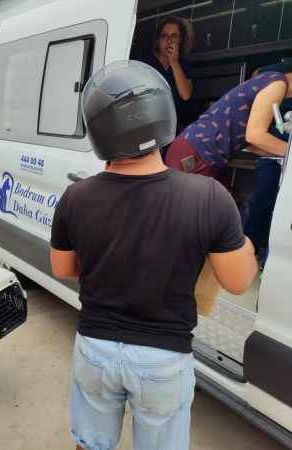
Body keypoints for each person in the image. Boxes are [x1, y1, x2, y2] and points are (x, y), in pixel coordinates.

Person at [50, 60, 258, 450]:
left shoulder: (75, 197)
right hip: (163, 358)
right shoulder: (209, 197)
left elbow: (63, 267)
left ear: (98, 130)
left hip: (95, 348)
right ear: (163, 116)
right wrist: (244, 242)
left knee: (90, 445)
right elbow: (238, 280)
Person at [166, 68, 292, 178]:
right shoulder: (278, 84)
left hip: (198, 151)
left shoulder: (271, 80)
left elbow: (252, 143)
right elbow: (255, 136)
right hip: (198, 152)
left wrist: (284, 153)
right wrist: (289, 151)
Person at [243, 61, 292, 265]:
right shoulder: (276, 84)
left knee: (281, 211)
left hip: (287, 160)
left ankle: (268, 258)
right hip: (271, 156)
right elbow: (258, 73)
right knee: (262, 204)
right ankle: (248, 252)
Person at [142, 16, 194, 132]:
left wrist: (174, 62)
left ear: (180, 40)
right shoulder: (146, 64)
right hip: (149, 126)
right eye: (164, 36)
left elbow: (186, 95)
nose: (169, 40)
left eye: (174, 36)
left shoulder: (183, 65)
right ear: (158, 40)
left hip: (172, 129)